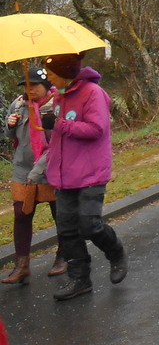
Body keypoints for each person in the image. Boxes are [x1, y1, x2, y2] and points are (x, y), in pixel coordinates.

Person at [42, 53, 128, 301]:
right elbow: (57, 131)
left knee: (89, 224)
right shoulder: (58, 95)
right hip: (63, 173)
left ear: (64, 71)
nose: (47, 77)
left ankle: (116, 253)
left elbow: (96, 128)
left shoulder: (92, 93)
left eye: (50, 72)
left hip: (91, 172)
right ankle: (80, 279)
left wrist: (59, 124)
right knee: (67, 229)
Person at [3, 67, 63, 284]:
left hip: (52, 169)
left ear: (46, 86)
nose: (30, 91)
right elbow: (10, 136)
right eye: (26, 86)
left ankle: (63, 256)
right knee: (21, 214)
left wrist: (39, 171)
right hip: (22, 168)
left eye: (34, 86)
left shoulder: (57, 104)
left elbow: (58, 142)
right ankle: (22, 266)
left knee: (60, 214)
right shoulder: (18, 103)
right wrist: (9, 125)